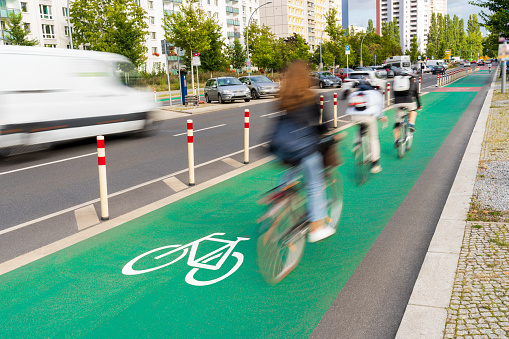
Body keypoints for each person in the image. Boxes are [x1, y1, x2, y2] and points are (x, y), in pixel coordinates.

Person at [269, 60, 334, 243]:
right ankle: (317, 228)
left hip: (281, 147)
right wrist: (330, 138)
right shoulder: (309, 97)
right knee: (314, 185)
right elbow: (323, 126)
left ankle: (281, 191)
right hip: (304, 148)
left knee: (295, 165)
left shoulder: (283, 97)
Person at [346, 81, 387, 173]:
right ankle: (375, 165)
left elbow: (350, 106)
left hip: (356, 117)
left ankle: (357, 142)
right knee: (373, 139)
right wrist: (381, 117)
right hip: (369, 117)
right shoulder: (375, 93)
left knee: (360, 126)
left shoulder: (355, 93)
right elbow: (380, 108)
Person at [392, 70, 421, 148]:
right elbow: (416, 94)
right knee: (413, 110)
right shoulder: (412, 80)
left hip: (397, 103)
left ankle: (396, 141)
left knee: (397, 123)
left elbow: (394, 93)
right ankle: (411, 124)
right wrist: (419, 105)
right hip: (408, 102)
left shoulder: (397, 80)